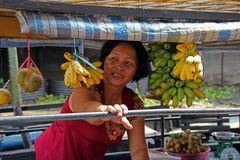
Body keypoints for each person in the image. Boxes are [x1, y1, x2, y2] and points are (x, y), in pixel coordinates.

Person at [34, 40, 150, 160]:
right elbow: (88, 110)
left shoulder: (134, 104)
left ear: (137, 70)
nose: (119, 66)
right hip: (55, 154)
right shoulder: (85, 87)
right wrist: (106, 111)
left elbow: (138, 150)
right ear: (103, 61)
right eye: (114, 59)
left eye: (128, 63)